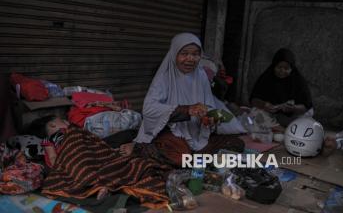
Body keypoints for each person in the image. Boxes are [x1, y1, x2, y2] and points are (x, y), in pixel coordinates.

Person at [119, 32, 246, 166]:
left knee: (236, 144)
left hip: (196, 132)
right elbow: (149, 109)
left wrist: (209, 117)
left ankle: (195, 159)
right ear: (174, 54)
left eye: (195, 54)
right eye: (184, 53)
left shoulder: (201, 75)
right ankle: (141, 149)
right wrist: (187, 110)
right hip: (171, 130)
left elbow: (208, 105)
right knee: (179, 158)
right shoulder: (165, 77)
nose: (190, 59)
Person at [29, 115, 170, 209]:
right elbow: (55, 157)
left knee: (132, 164)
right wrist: (61, 163)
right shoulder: (54, 139)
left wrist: (106, 151)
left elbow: (94, 144)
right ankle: (98, 186)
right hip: (76, 155)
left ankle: (101, 185)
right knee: (84, 167)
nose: (67, 122)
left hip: (92, 154)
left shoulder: (76, 131)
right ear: (53, 125)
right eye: (63, 120)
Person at [250, 48, 313, 127]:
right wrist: (264, 104)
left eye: (286, 68)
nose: (282, 71)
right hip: (271, 116)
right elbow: (254, 100)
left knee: (306, 119)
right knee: (255, 113)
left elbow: (306, 106)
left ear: (291, 69)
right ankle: (277, 127)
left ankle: (282, 128)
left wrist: (293, 108)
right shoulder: (266, 78)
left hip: (293, 117)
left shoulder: (298, 81)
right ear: (274, 66)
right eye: (279, 67)